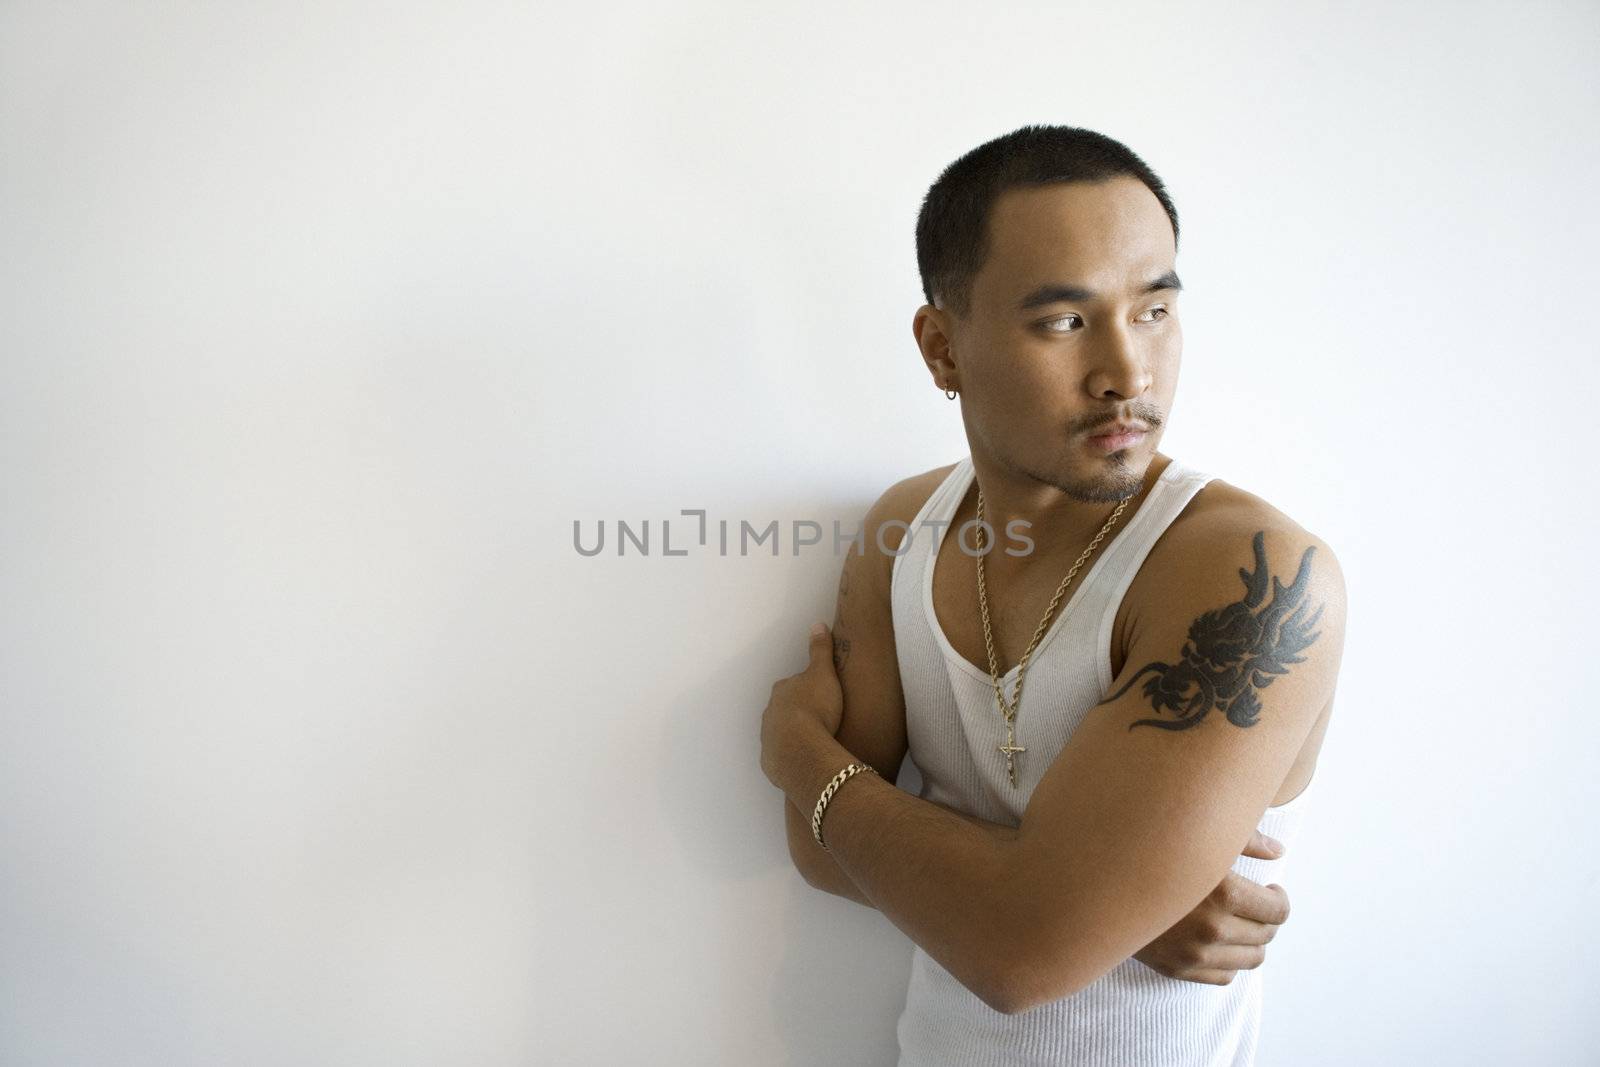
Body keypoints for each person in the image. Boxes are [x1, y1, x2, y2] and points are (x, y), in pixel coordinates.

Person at [759, 124, 1347, 1066]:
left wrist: (796, 754)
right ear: (942, 348)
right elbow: (821, 852)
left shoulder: (1249, 573)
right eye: (1065, 322)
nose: (1129, 373)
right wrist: (1098, 898)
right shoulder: (903, 529)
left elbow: (1021, 951)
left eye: (1154, 309)